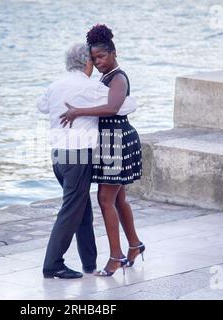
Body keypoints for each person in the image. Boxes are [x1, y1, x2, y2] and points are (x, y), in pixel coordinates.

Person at [37, 43, 138, 279]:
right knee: (71, 210)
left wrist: (71, 107)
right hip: (78, 155)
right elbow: (128, 105)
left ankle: (88, 262)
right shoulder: (91, 86)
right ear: (87, 63)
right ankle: (53, 265)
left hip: (58, 157)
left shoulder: (55, 85)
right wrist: (89, 106)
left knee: (81, 208)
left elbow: (41, 106)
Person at [60, 24, 145, 277]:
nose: (97, 62)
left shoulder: (118, 77)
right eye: (93, 58)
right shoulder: (105, 77)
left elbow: (111, 108)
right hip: (110, 140)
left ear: (114, 52)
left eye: (101, 56)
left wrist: (77, 111)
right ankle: (135, 246)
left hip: (116, 140)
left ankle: (115, 257)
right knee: (118, 199)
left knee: (105, 199)